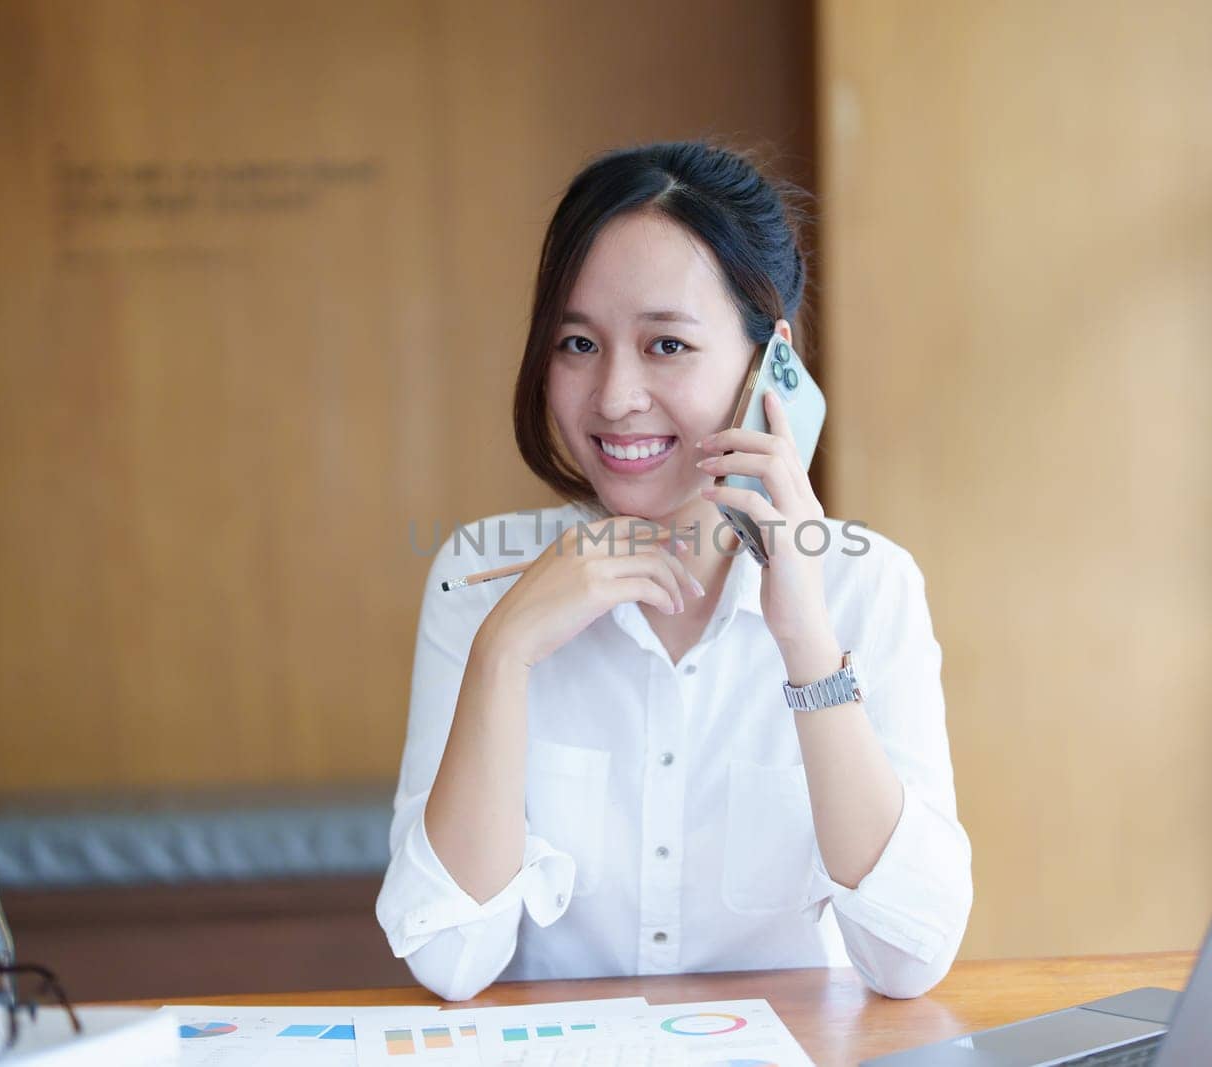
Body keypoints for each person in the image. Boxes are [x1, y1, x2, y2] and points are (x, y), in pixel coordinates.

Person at [375, 141, 972, 1001]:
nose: (614, 395)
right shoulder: (476, 575)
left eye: (666, 345)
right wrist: (504, 652)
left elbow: (911, 957)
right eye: (577, 342)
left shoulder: (867, 584)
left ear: (773, 360)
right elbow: (449, 958)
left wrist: (805, 640)